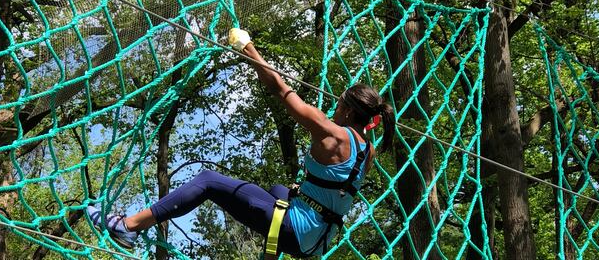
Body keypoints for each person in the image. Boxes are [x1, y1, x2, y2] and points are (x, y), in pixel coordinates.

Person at [87, 28, 395, 257]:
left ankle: (128, 226)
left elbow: (281, 89)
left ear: (350, 111)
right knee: (279, 191)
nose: (334, 110)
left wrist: (247, 48)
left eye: (339, 105)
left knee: (208, 180)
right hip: (319, 240)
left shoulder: (334, 134)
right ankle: (272, 243)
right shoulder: (368, 152)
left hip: (297, 229)